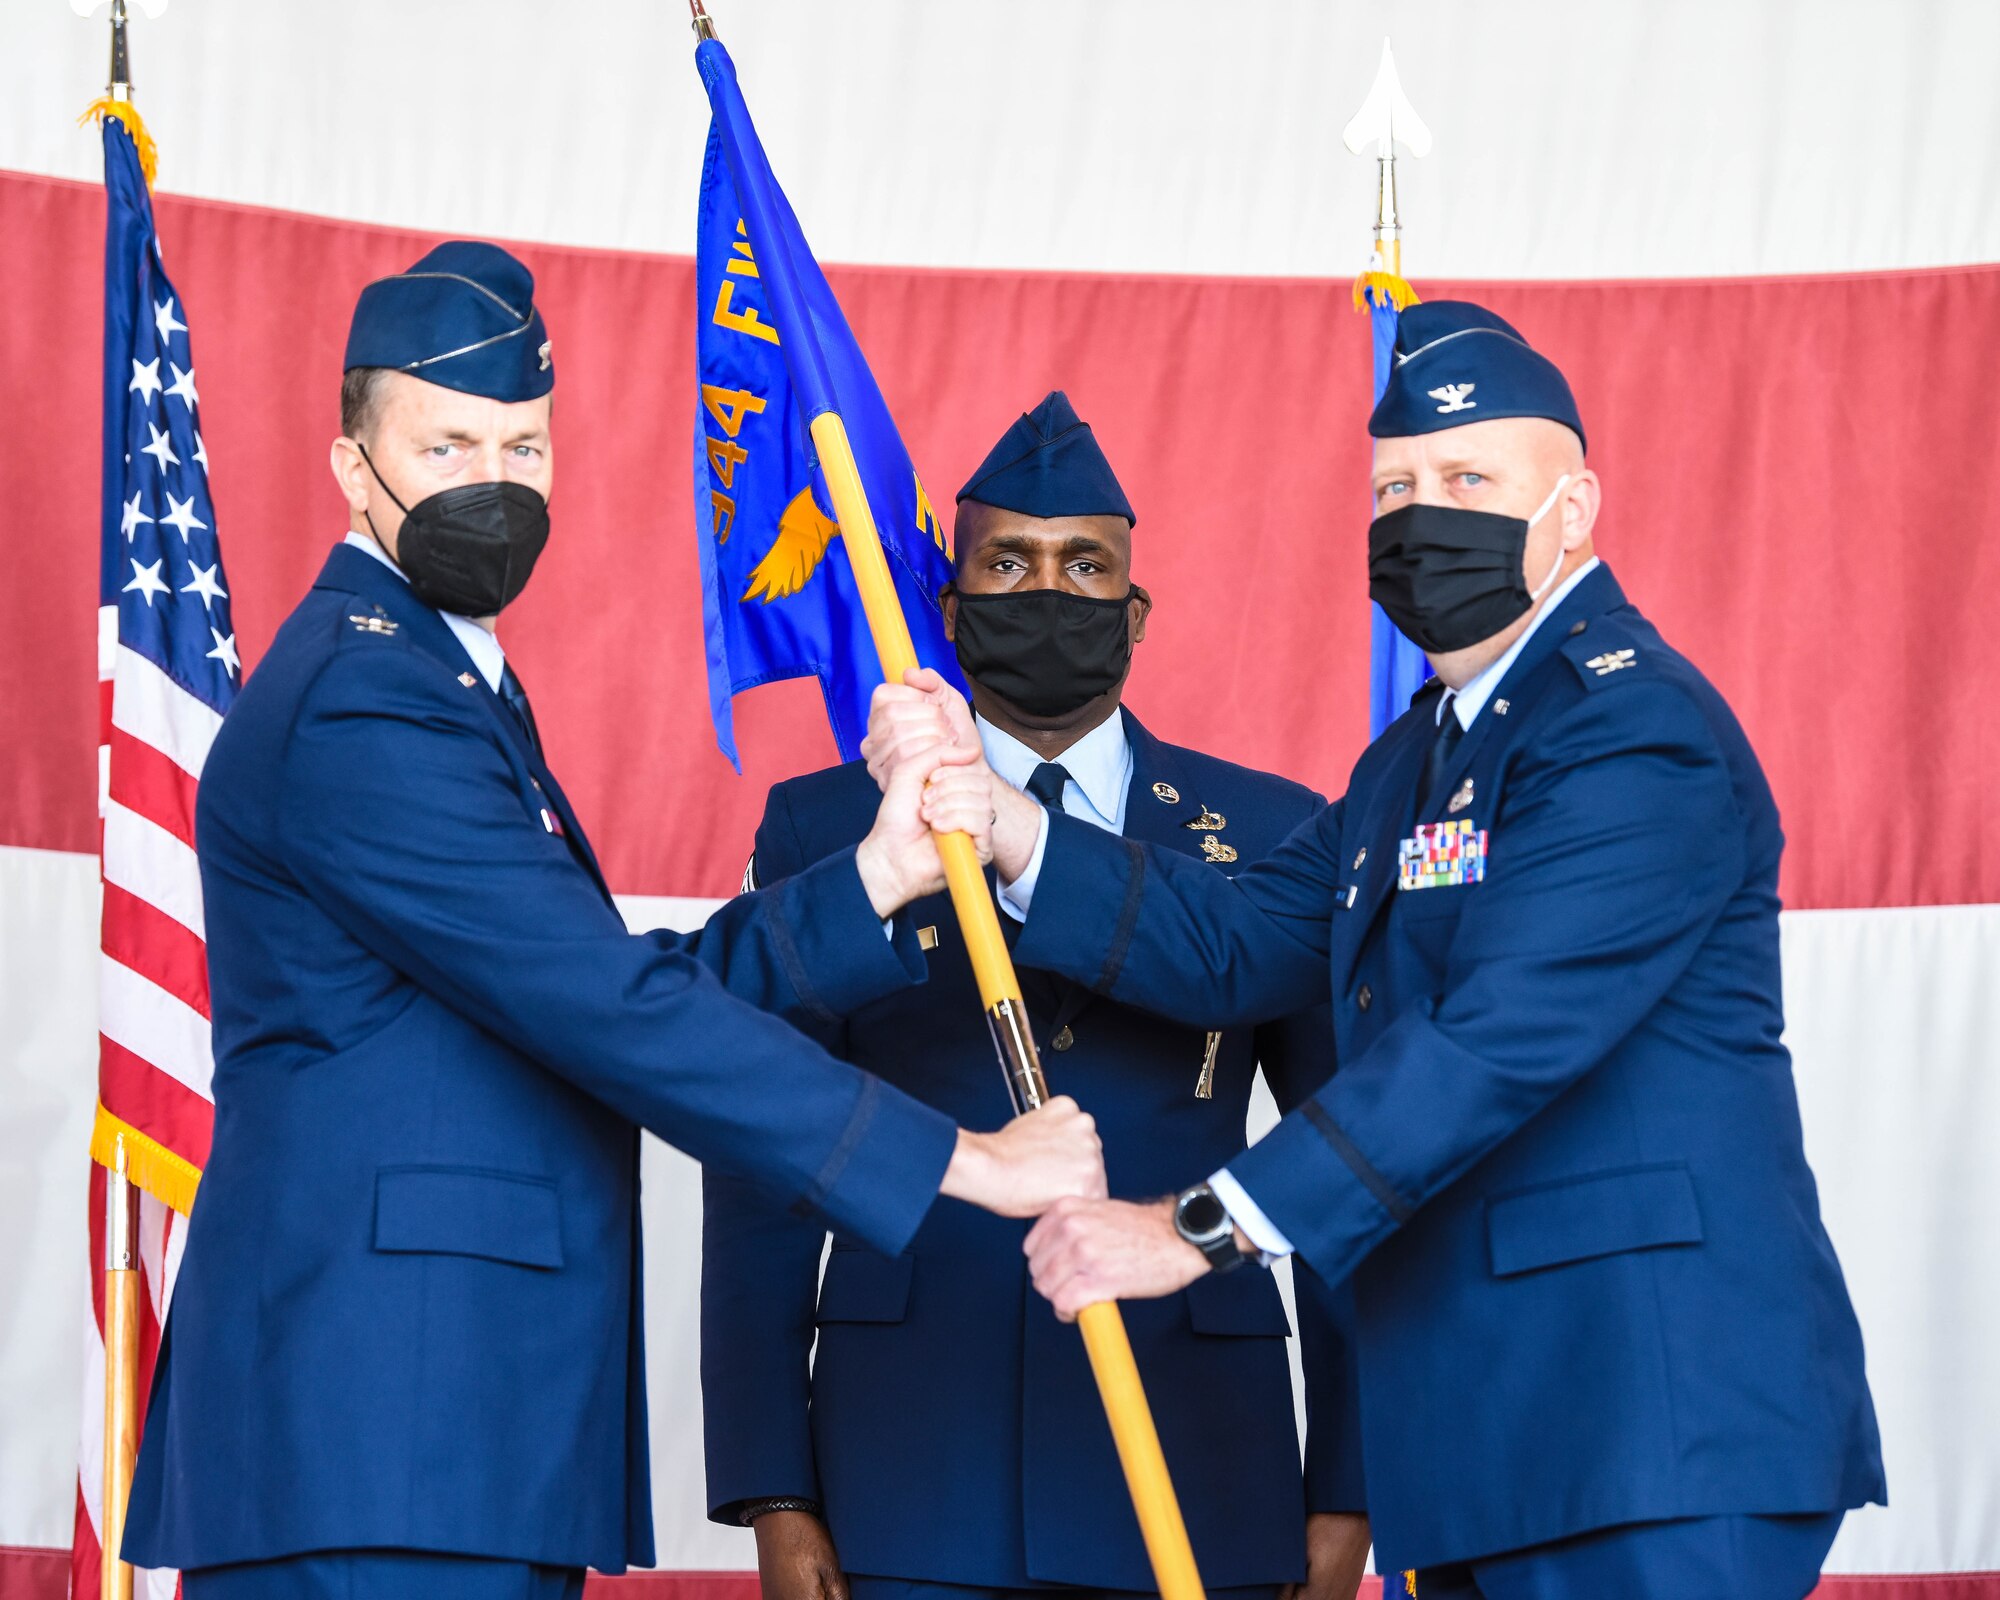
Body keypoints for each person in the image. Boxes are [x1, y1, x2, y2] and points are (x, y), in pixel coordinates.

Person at [119, 242, 1102, 1600]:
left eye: (524, 446)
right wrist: (967, 1165)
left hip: (452, 1432)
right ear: (356, 467)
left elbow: (589, 987)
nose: (494, 482)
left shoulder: (447, 684)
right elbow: (610, 1014)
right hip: (382, 1427)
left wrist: (874, 875)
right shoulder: (367, 702)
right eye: (450, 443)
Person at [876, 305, 1886, 1599]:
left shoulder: (1634, 731)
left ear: (1572, 510)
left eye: (1471, 481)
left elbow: (1491, 1045)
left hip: (1646, 1412)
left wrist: (1197, 1229)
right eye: (1399, 485)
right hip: (1480, 1430)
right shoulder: (1416, 757)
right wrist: (1003, 821)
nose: (1427, 512)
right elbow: (1237, 939)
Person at [702, 393, 1371, 1600]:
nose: (1046, 591)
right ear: (948, 607)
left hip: (1196, 1445)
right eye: (1005, 561)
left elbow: (1340, 1161)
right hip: (908, 1461)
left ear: (1135, 607)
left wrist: (1347, 1491)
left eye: (1082, 564)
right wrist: (773, 1487)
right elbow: (762, 1155)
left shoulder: (1274, 837)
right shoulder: (824, 827)